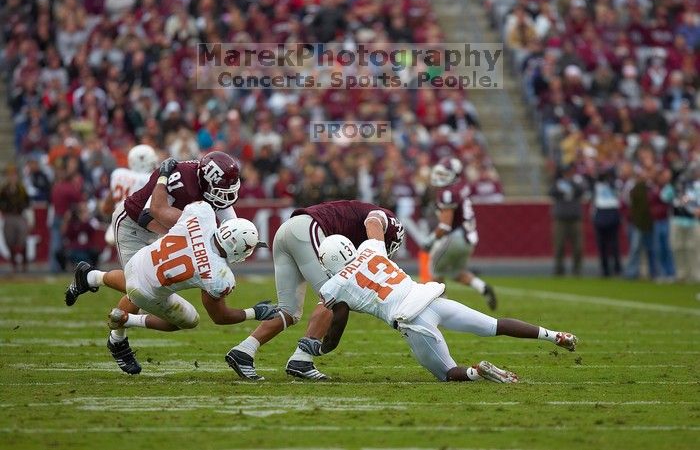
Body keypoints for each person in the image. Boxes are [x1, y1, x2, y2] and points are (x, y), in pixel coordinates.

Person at [295, 232, 577, 383]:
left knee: (448, 373)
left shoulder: (334, 287)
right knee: (494, 325)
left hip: (411, 320)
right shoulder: (370, 250)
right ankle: (554, 335)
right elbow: (375, 224)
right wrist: (373, 215)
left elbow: (338, 323)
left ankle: (479, 371)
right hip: (431, 298)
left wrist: (322, 349)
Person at [68, 200, 278, 374]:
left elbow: (161, 208)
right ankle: (127, 319)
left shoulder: (202, 214)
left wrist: (163, 177)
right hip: (145, 293)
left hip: (138, 260)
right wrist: (254, 312)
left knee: (136, 278)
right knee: (189, 319)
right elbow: (219, 317)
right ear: (237, 249)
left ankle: (91, 276)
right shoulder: (219, 276)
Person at [225, 200, 405, 381]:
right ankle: (302, 359)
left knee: (289, 311)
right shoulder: (385, 219)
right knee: (334, 295)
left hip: (291, 230)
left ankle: (243, 351)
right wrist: (379, 252)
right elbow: (373, 221)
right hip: (307, 229)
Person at [65, 151, 241, 305]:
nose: (228, 195)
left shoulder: (209, 184)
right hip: (134, 223)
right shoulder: (181, 181)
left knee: (149, 288)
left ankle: (117, 333)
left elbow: (231, 222)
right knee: (138, 285)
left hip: (162, 226)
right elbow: (146, 216)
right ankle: (89, 278)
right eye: (221, 189)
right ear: (206, 181)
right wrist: (186, 235)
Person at [424, 158, 497, 309]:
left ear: (454, 175)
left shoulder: (447, 193)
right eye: (439, 174)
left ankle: (442, 309)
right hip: (469, 239)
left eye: (444, 174)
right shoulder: (461, 186)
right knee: (456, 272)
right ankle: (482, 287)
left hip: (455, 238)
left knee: (434, 269)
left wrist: (430, 240)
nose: (439, 177)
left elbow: (444, 226)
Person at [101, 144, 158, 245]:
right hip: (139, 231)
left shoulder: (118, 174)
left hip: (116, 228)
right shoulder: (149, 179)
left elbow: (105, 208)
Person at [549, 164, 586, 276]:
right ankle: (559, 269)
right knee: (559, 245)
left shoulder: (577, 181)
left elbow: (581, 191)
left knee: (578, 246)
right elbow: (551, 192)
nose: (567, 174)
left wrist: (571, 183)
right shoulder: (557, 183)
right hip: (561, 218)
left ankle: (577, 269)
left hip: (575, 218)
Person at [591, 168, 622, 277]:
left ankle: (617, 267)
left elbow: (619, 193)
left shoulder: (616, 183)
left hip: (612, 212)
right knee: (602, 244)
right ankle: (605, 268)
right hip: (600, 213)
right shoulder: (597, 185)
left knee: (614, 243)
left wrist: (611, 182)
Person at [0, 165, 31, 271]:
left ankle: (24, 262)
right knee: (10, 240)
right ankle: (14, 264)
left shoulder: (21, 189)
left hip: (19, 216)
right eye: (10, 176)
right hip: (8, 216)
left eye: (14, 175)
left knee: (22, 239)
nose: (12, 178)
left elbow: (27, 202)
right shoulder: (4, 189)